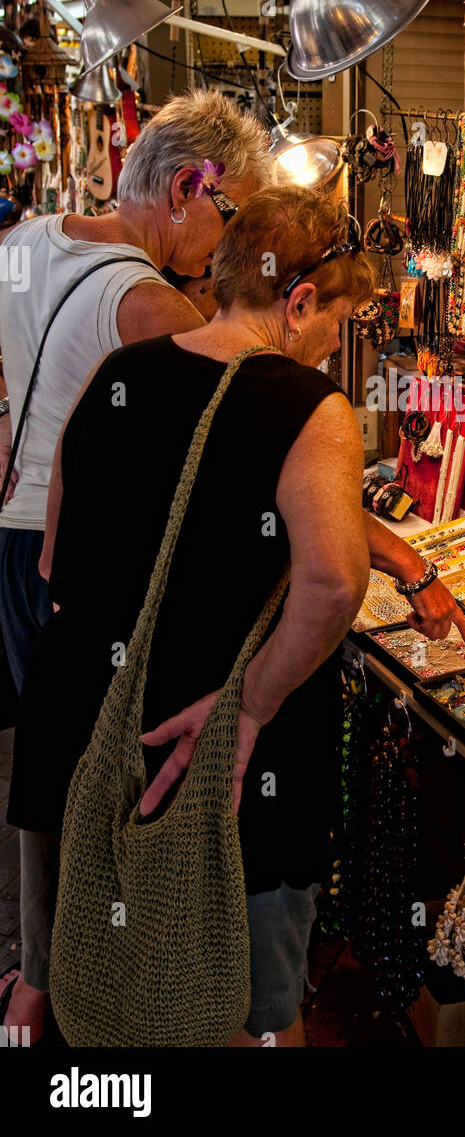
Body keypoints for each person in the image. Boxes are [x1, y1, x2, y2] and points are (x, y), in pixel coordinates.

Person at [6, 185, 465, 1047]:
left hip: (77, 726)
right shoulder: (305, 406)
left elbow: (51, 557)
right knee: (249, 1011)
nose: (335, 343)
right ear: (297, 303)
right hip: (213, 756)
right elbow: (333, 583)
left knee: (85, 970)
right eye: (336, 322)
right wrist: (252, 702)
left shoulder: (119, 372)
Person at [0, 88, 274, 1042]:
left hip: (13, 536)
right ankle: (84, 980)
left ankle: (38, 971)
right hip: (78, 552)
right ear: (189, 187)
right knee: (98, 768)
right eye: (226, 215)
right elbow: (231, 413)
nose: (222, 248)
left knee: (43, 750)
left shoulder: (28, 240)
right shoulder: (148, 298)